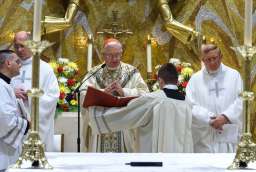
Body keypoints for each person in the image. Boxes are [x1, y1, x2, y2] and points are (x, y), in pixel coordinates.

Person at [87, 63, 193, 153]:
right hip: (180, 161)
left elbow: (126, 113)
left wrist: (96, 112)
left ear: (160, 80)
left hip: (155, 162)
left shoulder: (153, 99)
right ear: (177, 81)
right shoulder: (188, 102)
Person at [80, 38, 149, 152]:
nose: (115, 59)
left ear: (121, 53)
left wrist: (125, 92)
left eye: (118, 55)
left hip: (124, 124)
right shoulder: (94, 73)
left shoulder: (131, 72)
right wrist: (102, 92)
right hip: (100, 122)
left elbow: (145, 94)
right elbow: (82, 94)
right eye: (110, 55)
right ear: (103, 55)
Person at [186, 44, 243, 153]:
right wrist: (209, 118)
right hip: (205, 137)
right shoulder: (195, 80)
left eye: (214, 58)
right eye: (208, 60)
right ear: (203, 60)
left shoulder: (234, 75)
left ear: (221, 56)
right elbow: (190, 104)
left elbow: (241, 100)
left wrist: (225, 117)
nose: (212, 62)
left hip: (228, 134)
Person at [11, 31, 60, 152]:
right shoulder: (9, 67)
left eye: (22, 46)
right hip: (13, 123)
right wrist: (12, 93)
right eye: (16, 46)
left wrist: (31, 96)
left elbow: (53, 96)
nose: (19, 49)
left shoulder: (44, 68)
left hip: (35, 124)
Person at [0, 50, 30, 171]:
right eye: (17, 61)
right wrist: (27, 124)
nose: (20, 64)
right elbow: (5, 120)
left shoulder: (6, 85)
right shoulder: (1, 86)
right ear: (8, 63)